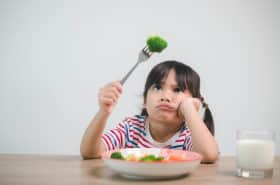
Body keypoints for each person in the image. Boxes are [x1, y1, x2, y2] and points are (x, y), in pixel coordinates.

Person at [80, 60, 219, 162]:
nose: (165, 97)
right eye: (157, 88)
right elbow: (90, 153)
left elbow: (208, 155)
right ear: (145, 101)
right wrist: (103, 112)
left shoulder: (189, 135)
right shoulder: (131, 128)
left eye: (177, 90)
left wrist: (190, 110)